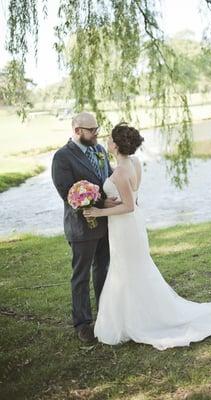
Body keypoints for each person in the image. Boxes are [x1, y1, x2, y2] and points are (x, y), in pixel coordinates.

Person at [83, 122, 211, 351]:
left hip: (125, 225)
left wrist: (99, 211)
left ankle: (139, 319)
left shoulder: (122, 171)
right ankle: (134, 314)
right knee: (133, 269)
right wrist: (108, 201)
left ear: (115, 144)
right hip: (129, 227)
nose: (107, 142)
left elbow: (129, 206)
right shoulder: (133, 162)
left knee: (128, 269)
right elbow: (134, 196)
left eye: (110, 139)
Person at [51, 112, 118, 343]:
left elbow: (108, 176)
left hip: (106, 221)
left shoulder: (99, 151)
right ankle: (82, 323)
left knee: (103, 268)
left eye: (97, 128)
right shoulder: (62, 157)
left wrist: (118, 196)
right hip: (81, 227)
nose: (96, 133)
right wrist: (101, 202)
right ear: (77, 130)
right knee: (80, 275)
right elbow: (67, 193)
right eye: (92, 130)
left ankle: (104, 313)